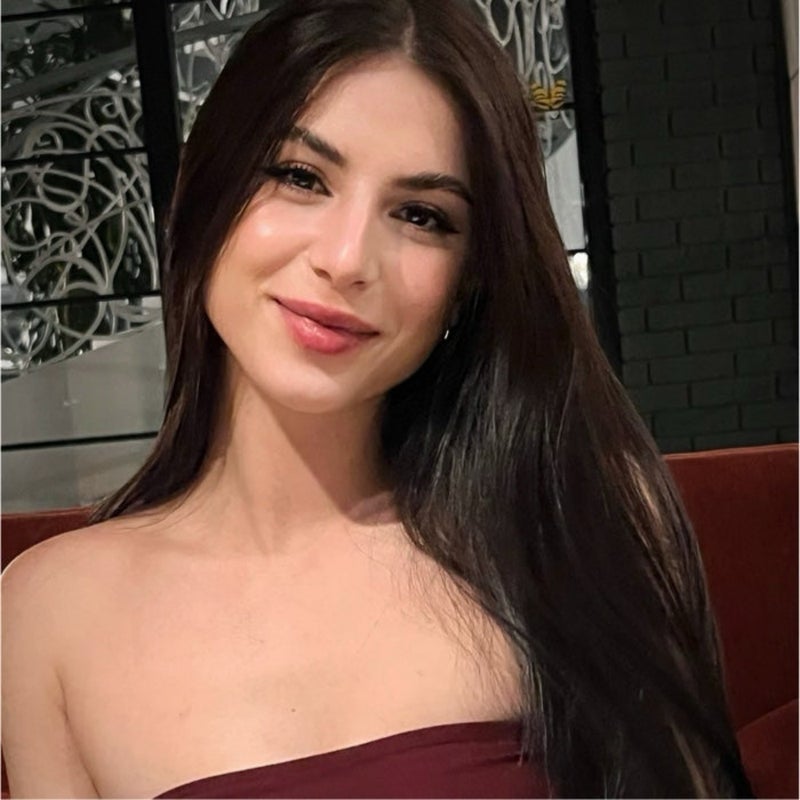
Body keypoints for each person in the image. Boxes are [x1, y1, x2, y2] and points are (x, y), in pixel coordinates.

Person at [2, 0, 754, 797]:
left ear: (469, 280)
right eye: (300, 176)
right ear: (204, 190)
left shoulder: (579, 521)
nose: (347, 258)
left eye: (421, 216)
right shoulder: (49, 612)